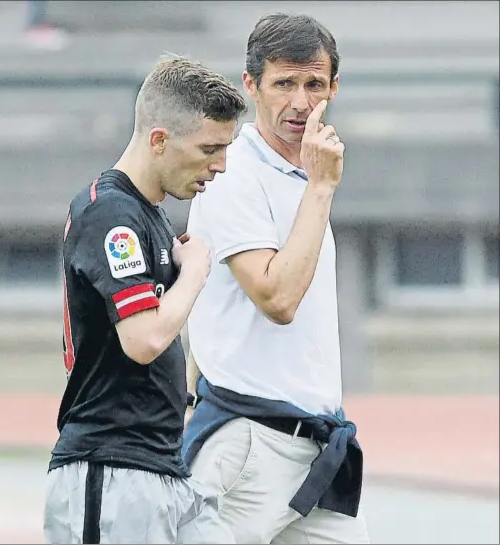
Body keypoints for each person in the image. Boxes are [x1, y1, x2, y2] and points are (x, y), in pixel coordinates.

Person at [183, 13, 370, 544]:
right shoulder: (232, 172)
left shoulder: (305, 173)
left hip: (318, 447)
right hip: (248, 447)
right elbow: (278, 297)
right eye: (283, 83)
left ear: (334, 87)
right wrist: (322, 188)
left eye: (314, 84)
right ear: (251, 87)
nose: (300, 102)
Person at [44, 54, 246, 544]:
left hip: (162, 465)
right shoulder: (111, 213)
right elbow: (144, 337)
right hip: (111, 470)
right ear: (160, 140)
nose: (220, 165)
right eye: (209, 149)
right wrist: (195, 273)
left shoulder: (148, 213)